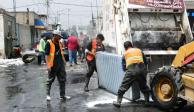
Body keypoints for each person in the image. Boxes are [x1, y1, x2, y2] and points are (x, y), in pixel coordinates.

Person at [113, 41, 150, 107]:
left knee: (123, 86)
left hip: (131, 71)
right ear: (131, 45)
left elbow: (124, 67)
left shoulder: (125, 54)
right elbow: (145, 62)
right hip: (142, 69)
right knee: (144, 86)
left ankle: (118, 102)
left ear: (125, 48)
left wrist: (130, 75)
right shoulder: (139, 50)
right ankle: (147, 101)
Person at [45, 30, 66, 101]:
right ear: (54, 35)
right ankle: (48, 95)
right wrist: (48, 65)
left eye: (60, 36)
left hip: (60, 64)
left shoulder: (59, 43)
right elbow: (46, 55)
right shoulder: (49, 43)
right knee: (50, 80)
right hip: (52, 65)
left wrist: (64, 61)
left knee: (62, 80)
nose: (60, 38)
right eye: (59, 36)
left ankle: (62, 95)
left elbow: (61, 53)